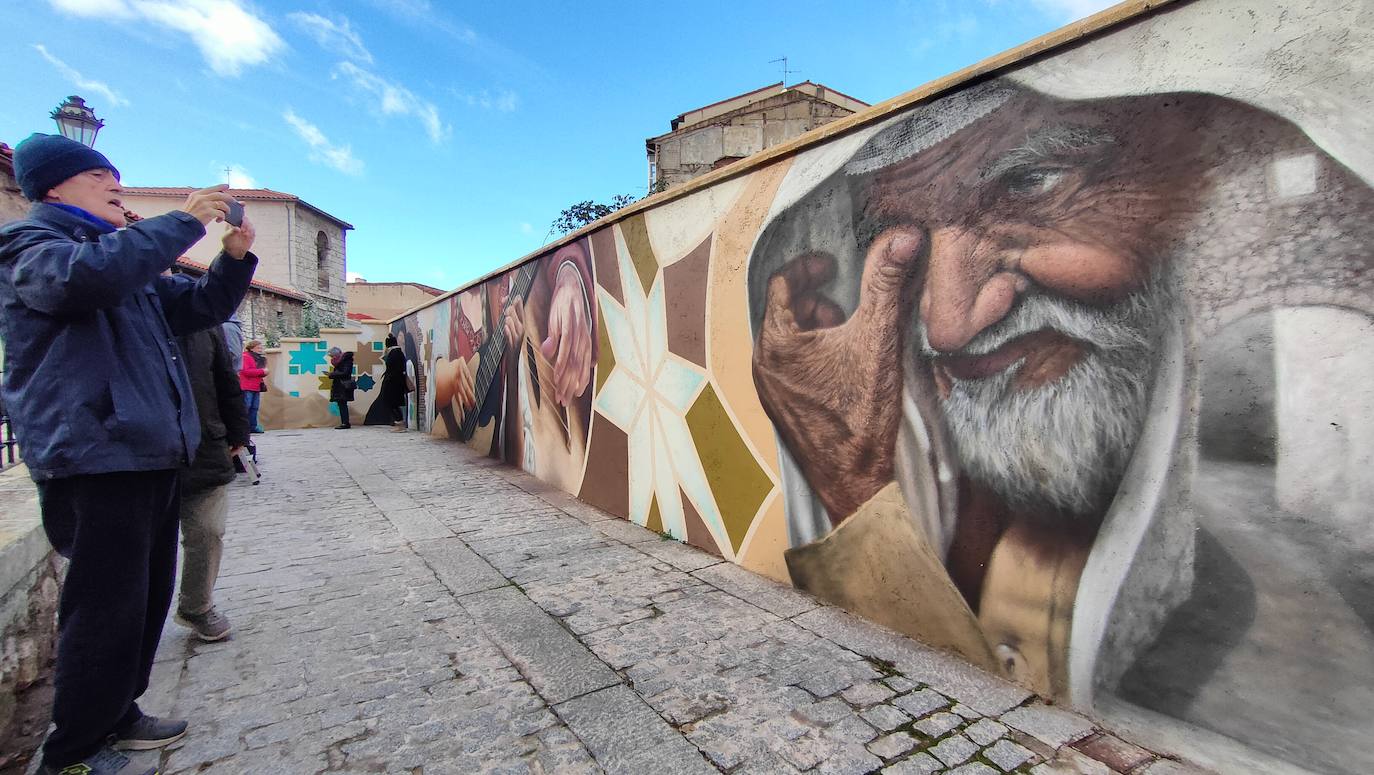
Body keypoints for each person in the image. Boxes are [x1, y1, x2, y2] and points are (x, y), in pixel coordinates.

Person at [0, 133, 257, 775]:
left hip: (145, 452)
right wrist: (186, 219)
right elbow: (84, 281)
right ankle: (75, 751)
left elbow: (201, 307)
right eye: (97, 175)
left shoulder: (124, 264)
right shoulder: (33, 248)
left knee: (142, 597)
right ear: (53, 189)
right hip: (95, 453)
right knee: (104, 605)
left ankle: (118, 712)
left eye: (116, 175)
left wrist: (234, 258)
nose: (114, 184)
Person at [173, 325, 249, 642]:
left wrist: (237, 433)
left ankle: (196, 605)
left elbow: (225, 381)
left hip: (204, 445)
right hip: (138, 450)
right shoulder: (116, 305)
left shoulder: (202, 319)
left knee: (207, 530)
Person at [366, 333, 410, 430]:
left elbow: (393, 370)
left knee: (392, 403)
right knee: (393, 403)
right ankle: (398, 422)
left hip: (393, 384)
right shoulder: (398, 353)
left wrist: (388, 379)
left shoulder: (394, 353)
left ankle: (399, 423)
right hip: (394, 383)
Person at [239, 339, 267, 433]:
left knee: (254, 407)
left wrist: (263, 373)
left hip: (256, 386)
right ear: (252, 348)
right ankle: (244, 427)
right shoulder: (246, 357)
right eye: (258, 347)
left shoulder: (258, 358)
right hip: (247, 386)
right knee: (247, 406)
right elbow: (245, 371)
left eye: (261, 347)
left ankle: (253, 426)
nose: (260, 349)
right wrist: (262, 371)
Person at [327, 346, 355, 429]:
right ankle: (344, 422)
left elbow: (345, 373)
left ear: (336, 355)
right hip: (339, 385)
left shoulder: (346, 361)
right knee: (341, 404)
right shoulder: (340, 361)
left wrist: (332, 374)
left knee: (343, 404)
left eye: (332, 356)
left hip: (343, 386)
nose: (332, 358)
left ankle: (345, 423)